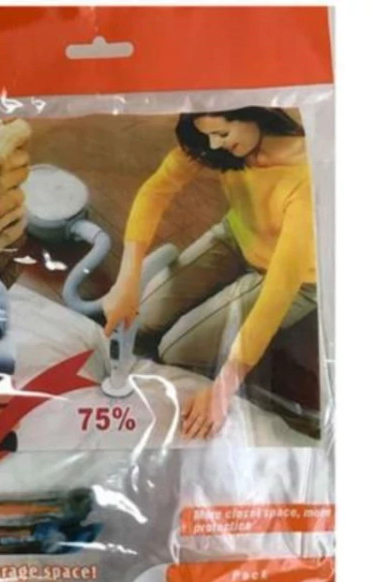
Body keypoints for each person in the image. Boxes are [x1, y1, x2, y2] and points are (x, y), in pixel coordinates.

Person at [103, 107, 318, 439]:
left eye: (222, 134)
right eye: (208, 137)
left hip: (292, 277)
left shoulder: (309, 177)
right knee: (144, 317)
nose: (215, 146)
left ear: (252, 113)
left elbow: (279, 290)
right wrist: (127, 280)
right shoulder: (221, 144)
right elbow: (156, 190)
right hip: (236, 237)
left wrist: (223, 388)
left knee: (175, 350)